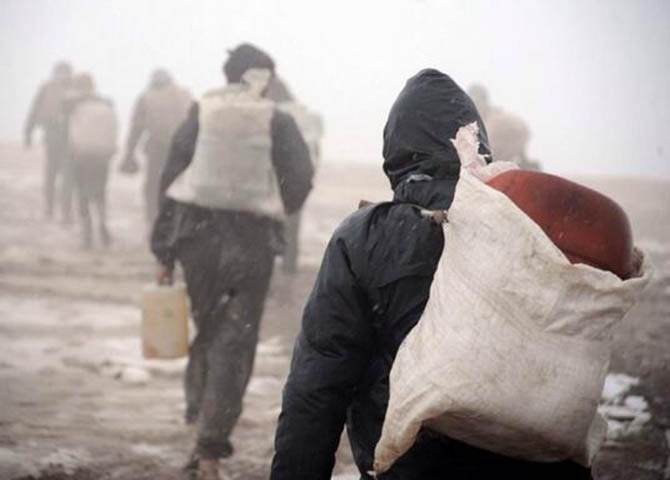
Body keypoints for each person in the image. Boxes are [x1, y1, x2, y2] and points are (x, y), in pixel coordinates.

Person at [270, 69, 591, 479]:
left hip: (411, 464)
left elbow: (318, 385)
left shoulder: (366, 236)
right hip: (528, 462)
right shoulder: (532, 226)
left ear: (396, 149)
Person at [150, 43, 313, 480]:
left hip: (196, 240)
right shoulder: (276, 119)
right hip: (251, 244)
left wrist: (164, 251)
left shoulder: (202, 112)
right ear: (261, 78)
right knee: (235, 340)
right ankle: (209, 445)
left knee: (208, 330)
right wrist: (273, 208)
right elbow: (301, 177)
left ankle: (199, 422)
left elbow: (171, 177)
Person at [264, 78, 324, 275]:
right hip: (300, 177)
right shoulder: (303, 113)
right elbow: (315, 147)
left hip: (277, 177)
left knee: (269, 222)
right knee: (293, 223)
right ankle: (290, 267)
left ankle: (271, 264)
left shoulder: (274, 112)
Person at [120, 69, 192, 225]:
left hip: (156, 148)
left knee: (152, 185)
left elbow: (136, 128)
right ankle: (178, 220)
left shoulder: (146, 97)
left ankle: (153, 220)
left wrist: (129, 153)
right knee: (179, 184)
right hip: (182, 148)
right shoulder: (184, 94)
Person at [64, 73, 118, 249]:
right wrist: (110, 149)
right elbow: (113, 130)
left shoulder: (74, 106)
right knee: (100, 192)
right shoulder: (106, 105)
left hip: (81, 155)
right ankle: (102, 224)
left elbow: (67, 128)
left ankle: (87, 234)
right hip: (101, 155)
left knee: (82, 194)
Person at [24, 61, 75, 222]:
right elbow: (34, 110)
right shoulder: (72, 89)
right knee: (61, 175)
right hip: (62, 138)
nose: (64, 75)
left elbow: (34, 110)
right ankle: (57, 210)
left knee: (57, 175)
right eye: (62, 72)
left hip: (60, 137)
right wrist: (28, 133)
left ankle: (56, 210)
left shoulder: (48, 88)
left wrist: (28, 133)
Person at [467, 82, 540, 170]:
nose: (476, 103)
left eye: (478, 99)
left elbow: (521, 131)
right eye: (473, 100)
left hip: (505, 162)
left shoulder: (498, 120)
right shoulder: (476, 123)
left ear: (484, 100)